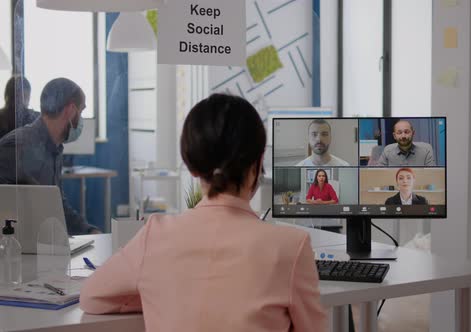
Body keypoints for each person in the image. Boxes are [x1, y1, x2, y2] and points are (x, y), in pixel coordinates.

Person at [80, 94, 326, 331]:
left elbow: (92, 297)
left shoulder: (155, 235)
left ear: (191, 164)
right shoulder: (291, 247)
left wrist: (156, 294)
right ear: (258, 163)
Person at [0, 78, 99, 235]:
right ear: (71, 110)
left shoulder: (54, 148)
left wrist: (90, 231)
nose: (81, 120)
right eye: (81, 111)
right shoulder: (16, 146)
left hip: (39, 246)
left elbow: (57, 206)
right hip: (15, 250)